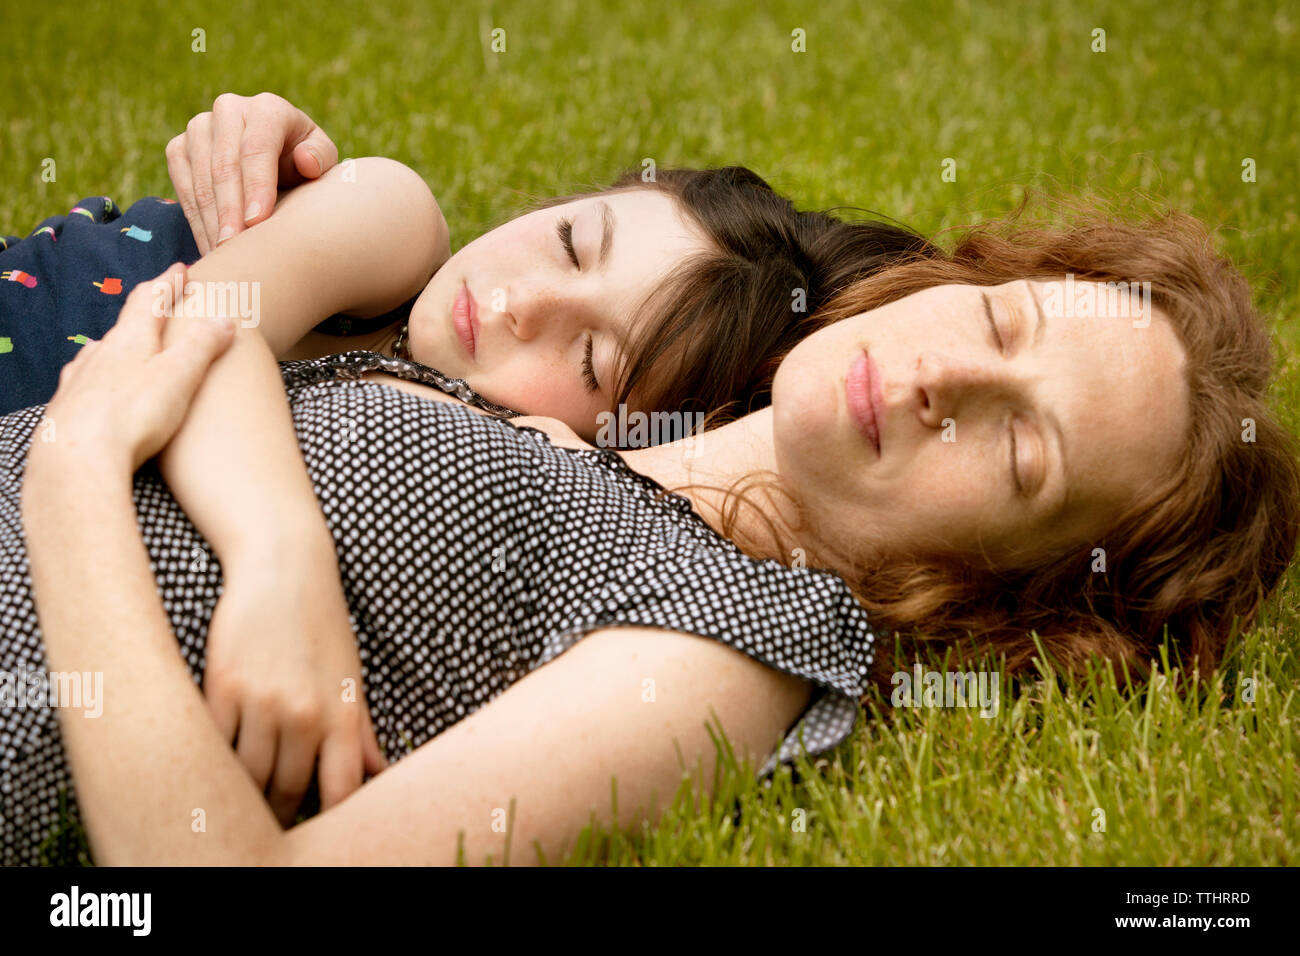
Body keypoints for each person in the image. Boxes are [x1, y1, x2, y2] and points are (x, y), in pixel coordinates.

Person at [10, 195, 1297, 864]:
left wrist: (73, 475)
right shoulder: (610, 403)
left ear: (1019, 591)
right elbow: (213, 320)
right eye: (1003, 325)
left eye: (1017, 449)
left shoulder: (728, 642)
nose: (935, 381)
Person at [0, 93, 935, 821]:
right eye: (573, 244)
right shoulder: (393, 221)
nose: (524, 303)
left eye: (590, 359)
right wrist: (281, 564)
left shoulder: (479, 480)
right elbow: (190, 339)